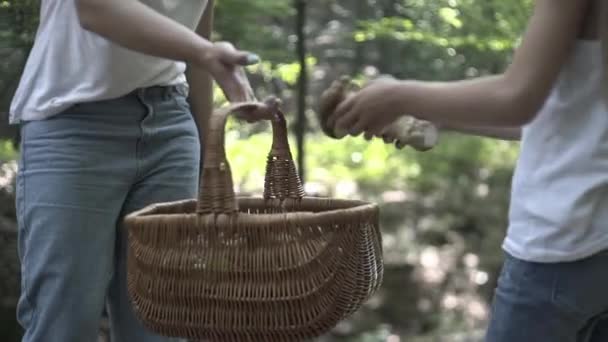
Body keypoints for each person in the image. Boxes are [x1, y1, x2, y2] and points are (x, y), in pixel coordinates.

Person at [327, 0, 608, 341]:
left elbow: (517, 97)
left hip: (561, 248)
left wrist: (398, 97)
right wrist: (436, 116)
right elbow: (557, 118)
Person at [9, 0, 272, 341]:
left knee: (161, 321)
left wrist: (212, 159)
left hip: (171, 123)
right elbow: (96, 10)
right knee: (64, 322)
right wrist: (205, 52)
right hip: (73, 124)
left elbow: (196, 42)